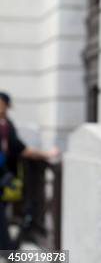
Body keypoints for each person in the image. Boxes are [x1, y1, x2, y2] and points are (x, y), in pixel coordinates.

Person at [0, 92, 59, 252]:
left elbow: (19, 147)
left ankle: (8, 252)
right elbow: (20, 149)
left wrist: (46, 154)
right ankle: (8, 252)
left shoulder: (7, 124)